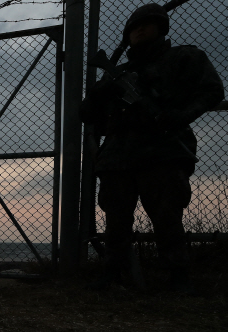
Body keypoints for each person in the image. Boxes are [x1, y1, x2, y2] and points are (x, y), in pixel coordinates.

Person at [80, 3, 224, 292]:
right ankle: (112, 274)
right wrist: (98, 94)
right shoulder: (117, 72)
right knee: (116, 220)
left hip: (162, 149)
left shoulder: (183, 57)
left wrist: (179, 116)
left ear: (162, 28)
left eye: (148, 24)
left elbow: (211, 91)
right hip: (120, 154)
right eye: (134, 27)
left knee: (167, 216)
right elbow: (87, 115)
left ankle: (178, 276)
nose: (140, 30)